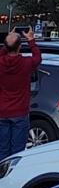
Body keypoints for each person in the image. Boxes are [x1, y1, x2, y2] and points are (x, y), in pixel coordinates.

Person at [0, 28, 41, 160]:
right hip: (20, 112)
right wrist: (31, 40)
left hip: (2, 112)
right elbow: (38, 58)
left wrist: (9, 40)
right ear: (20, 47)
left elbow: (3, 53)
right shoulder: (25, 63)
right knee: (17, 153)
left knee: (2, 149)